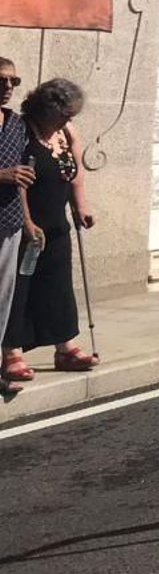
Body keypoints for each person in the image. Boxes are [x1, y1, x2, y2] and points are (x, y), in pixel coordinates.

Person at [2, 79, 97, 381]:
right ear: (46, 109)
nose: (69, 119)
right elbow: (20, 181)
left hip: (57, 221)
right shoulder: (22, 130)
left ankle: (65, 346)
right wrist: (27, 222)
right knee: (21, 286)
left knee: (58, 285)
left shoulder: (66, 133)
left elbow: (75, 173)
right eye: (65, 113)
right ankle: (11, 351)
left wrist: (80, 207)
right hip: (27, 222)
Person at [0, 59, 45, 394]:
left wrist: (28, 221)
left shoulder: (16, 124)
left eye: (14, 80)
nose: (8, 86)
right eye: (2, 79)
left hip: (10, 223)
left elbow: (22, 180)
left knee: (2, 298)